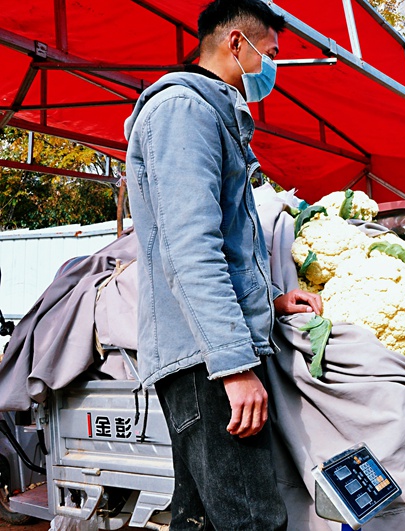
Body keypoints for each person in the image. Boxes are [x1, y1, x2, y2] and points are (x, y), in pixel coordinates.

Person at [124, 1, 322, 529]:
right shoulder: (183, 111)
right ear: (237, 43)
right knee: (251, 520)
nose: (273, 68)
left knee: (203, 518)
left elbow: (229, 247)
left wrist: (270, 300)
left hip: (206, 353)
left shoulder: (208, 111)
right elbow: (190, 251)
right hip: (205, 362)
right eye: (272, 54)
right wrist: (234, 366)